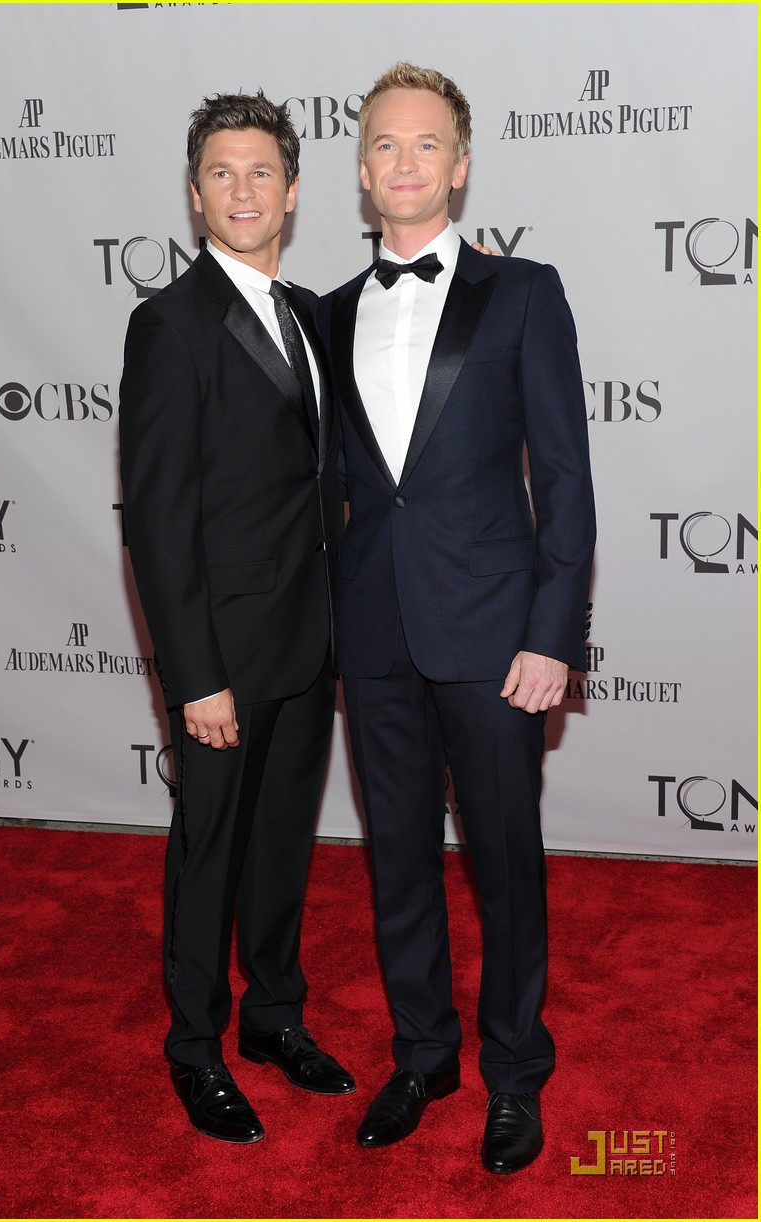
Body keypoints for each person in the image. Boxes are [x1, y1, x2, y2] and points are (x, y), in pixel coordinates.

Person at [317, 63, 596, 1173]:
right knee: (396, 858)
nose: (405, 162)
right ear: (363, 170)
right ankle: (424, 1052)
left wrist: (553, 634)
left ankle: (515, 1069)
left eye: (426, 144)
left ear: (462, 166)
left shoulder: (525, 294)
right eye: (385, 144)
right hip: (375, 632)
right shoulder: (329, 314)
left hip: (494, 638)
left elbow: (566, 480)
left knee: (505, 860)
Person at [119, 91, 354, 1144]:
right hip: (225, 657)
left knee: (278, 850)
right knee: (209, 848)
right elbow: (160, 522)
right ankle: (196, 1047)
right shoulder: (168, 325)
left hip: (310, 642)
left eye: (263, 171)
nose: (244, 189)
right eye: (222, 172)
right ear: (195, 193)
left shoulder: (309, 312)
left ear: (294, 191)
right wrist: (193, 673)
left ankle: (272, 1018)